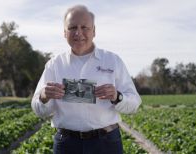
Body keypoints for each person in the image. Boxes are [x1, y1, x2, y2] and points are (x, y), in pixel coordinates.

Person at [32, 4, 141, 154]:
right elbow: (38, 109)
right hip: (67, 144)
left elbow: (134, 104)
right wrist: (44, 96)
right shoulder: (54, 65)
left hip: (106, 143)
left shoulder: (112, 61)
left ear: (94, 31)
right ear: (64, 33)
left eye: (84, 27)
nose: (78, 33)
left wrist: (117, 96)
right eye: (72, 28)